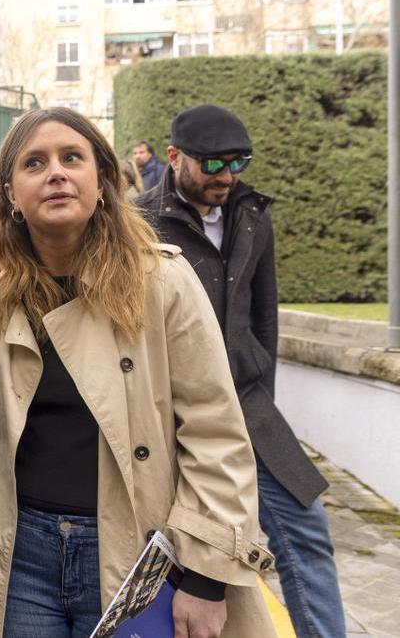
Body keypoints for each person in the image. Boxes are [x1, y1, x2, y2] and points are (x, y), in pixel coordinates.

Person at [0, 107, 275, 637]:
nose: (56, 172)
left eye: (72, 158)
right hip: (18, 555)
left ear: (103, 181)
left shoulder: (163, 282)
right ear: (10, 193)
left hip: (140, 548)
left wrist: (205, 577)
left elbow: (215, 430)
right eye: (35, 162)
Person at [136, 104, 345, 638]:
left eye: (238, 162)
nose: (227, 176)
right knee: (182, 557)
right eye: (212, 164)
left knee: (307, 533)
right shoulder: (137, 222)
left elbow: (264, 315)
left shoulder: (253, 213)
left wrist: (262, 402)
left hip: (250, 408)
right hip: (172, 414)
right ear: (174, 157)